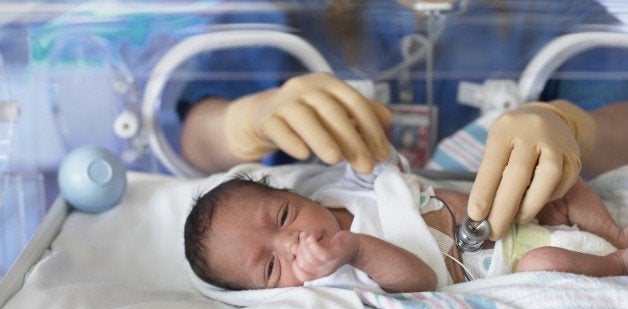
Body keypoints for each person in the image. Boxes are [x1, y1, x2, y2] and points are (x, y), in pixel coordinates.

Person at [178, 1, 628, 241]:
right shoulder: (281, 11)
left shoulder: (557, 12)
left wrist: (571, 126)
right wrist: (247, 120)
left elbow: (620, 120)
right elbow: (191, 142)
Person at [183, 153, 628, 293]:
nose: (292, 241)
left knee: (560, 185)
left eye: (283, 215)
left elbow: (375, 159)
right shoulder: (333, 282)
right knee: (543, 262)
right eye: (270, 267)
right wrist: (354, 249)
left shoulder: (337, 191)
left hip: (512, 216)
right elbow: (421, 279)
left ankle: (614, 232)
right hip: (514, 258)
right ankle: (616, 263)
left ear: (295, 195)